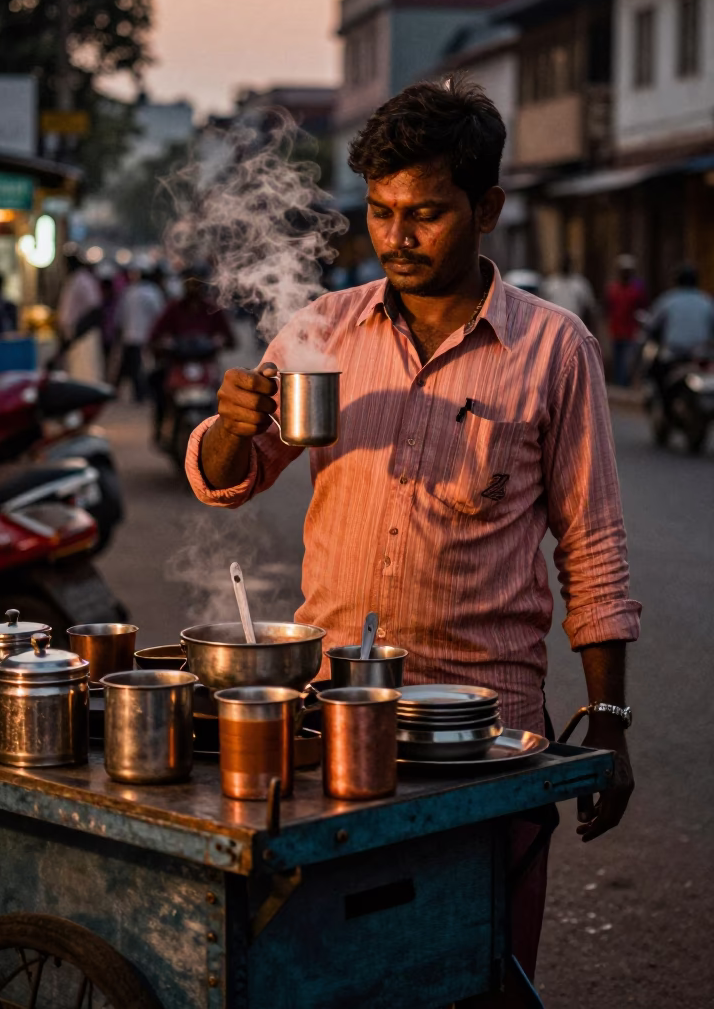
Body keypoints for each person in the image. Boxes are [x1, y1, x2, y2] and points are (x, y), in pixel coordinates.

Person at [185, 78, 640, 999]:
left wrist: (611, 727)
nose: (397, 237)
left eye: (426, 214)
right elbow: (225, 480)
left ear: (488, 211)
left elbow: (592, 546)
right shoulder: (323, 330)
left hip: (485, 730)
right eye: (382, 213)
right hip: (333, 713)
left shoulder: (555, 352)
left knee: (473, 969)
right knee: (325, 968)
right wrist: (234, 421)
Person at [149, 266, 235, 440]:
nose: (193, 286)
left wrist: (219, 341)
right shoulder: (173, 308)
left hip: (206, 366)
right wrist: (164, 344)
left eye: (197, 282)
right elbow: (155, 336)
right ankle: (160, 428)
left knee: (228, 395)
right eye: (189, 281)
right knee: (156, 384)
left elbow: (230, 339)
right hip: (178, 364)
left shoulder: (212, 309)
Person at [115, 269, 166, 402]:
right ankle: (144, 393)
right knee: (143, 367)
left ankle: (137, 393)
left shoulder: (129, 291)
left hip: (131, 336)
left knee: (134, 367)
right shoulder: (153, 292)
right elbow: (160, 315)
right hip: (147, 336)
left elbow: (120, 316)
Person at [56, 251, 104, 381]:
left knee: (86, 375)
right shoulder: (73, 279)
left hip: (84, 335)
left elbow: (94, 308)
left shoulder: (83, 280)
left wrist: (78, 330)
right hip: (74, 334)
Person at [648, 264, 714, 356]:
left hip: (673, 352)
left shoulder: (668, 300)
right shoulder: (706, 301)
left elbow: (652, 324)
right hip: (700, 354)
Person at [605, 254, 647, 387]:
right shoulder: (613, 288)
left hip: (631, 330)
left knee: (628, 360)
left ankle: (625, 383)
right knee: (617, 358)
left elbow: (642, 307)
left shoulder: (637, 289)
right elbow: (608, 307)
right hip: (616, 329)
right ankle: (618, 383)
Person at [541, 254, 596, 327]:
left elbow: (589, 307)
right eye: (563, 263)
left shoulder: (580, 284)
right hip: (554, 326)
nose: (565, 265)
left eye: (567, 263)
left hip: (575, 327)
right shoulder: (550, 284)